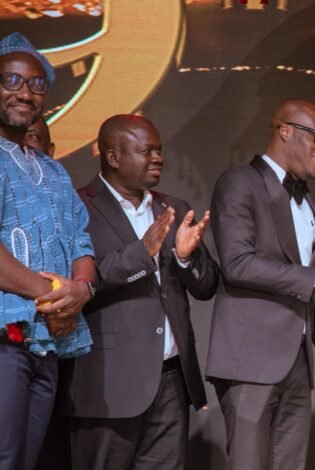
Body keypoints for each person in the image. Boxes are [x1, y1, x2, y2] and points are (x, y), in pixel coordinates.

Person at [206, 99, 315, 470]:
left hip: (296, 366)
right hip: (250, 363)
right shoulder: (240, 182)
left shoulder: (307, 203)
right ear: (285, 130)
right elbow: (237, 264)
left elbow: (299, 286)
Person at [58, 115, 220, 470]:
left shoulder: (171, 207)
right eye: (147, 151)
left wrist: (184, 256)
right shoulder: (77, 207)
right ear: (113, 157)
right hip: (108, 383)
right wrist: (140, 252)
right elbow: (78, 284)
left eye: (159, 150)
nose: (158, 158)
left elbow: (207, 286)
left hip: (171, 380)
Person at [0, 32, 96, 470]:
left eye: (36, 84)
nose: (25, 92)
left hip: (47, 343)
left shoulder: (54, 173)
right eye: (12, 80)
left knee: (26, 460)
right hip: (4, 341)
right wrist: (58, 293)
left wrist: (81, 291)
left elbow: (81, 242)